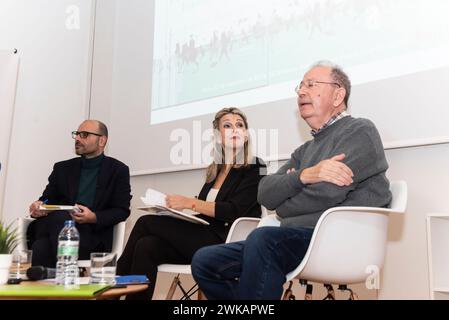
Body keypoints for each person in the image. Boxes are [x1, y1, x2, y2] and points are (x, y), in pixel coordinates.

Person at [191, 61, 393, 299]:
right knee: (205, 261)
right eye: (300, 86)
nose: (301, 91)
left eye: (311, 84)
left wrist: (285, 202)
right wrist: (305, 176)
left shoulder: (359, 131)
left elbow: (326, 193)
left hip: (338, 239)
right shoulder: (305, 150)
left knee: (263, 239)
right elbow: (265, 193)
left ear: (338, 95)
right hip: (296, 236)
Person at [116, 107, 265, 300]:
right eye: (227, 126)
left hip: (227, 241)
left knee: (145, 222)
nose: (235, 129)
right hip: (204, 236)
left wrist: (188, 202)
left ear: (245, 136)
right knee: (147, 246)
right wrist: (174, 214)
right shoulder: (215, 170)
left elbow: (233, 211)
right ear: (218, 137)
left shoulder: (256, 166)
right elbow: (205, 213)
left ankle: (110, 288)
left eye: (240, 125)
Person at [27, 120, 131, 268]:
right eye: (76, 134)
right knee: (41, 246)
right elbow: (47, 200)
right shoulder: (62, 168)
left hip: (91, 237)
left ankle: (62, 280)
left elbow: (121, 211)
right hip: (58, 230)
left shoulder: (118, 170)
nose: (77, 139)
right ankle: (66, 281)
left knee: (43, 241)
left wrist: (93, 217)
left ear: (102, 140)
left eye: (84, 135)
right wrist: (39, 206)